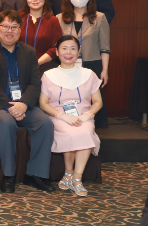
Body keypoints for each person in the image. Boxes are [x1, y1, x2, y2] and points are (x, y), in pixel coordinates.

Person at [0, 10, 55, 193]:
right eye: (5, 26)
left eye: (14, 27)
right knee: (6, 123)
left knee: (45, 123)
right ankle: (8, 175)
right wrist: (8, 107)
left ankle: (36, 174)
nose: (9, 31)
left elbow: (35, 83)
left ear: (20, 30)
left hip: (23, 104)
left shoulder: (29, 52)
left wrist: (24, 104)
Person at [39, 35, 103, 197]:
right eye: (64, 48)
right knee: (69, 130)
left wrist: (86, 115)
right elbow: (43, 103)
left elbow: (97, 102)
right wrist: (62, 116)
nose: (69, 52)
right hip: (58, 116)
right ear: (57, 52)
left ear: (79, 51)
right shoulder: (48, 75)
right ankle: (68, 172)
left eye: (73, 48)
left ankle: (76, 177)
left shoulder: (89, 74)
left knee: (85, 131)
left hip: (83, 117)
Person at [56, 0, 111, 129]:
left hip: (92, 65)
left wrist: (104, 70)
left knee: (92, 101)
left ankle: (92, 131)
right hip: (67, 66)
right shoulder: (60, 18)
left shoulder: (99, 17)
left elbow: (105, 47)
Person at [20, 0, 61, 75]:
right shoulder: (18, 18)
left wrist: (36, 63)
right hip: (20, 66)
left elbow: (55, 48)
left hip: (46, 68)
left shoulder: (53, 20)